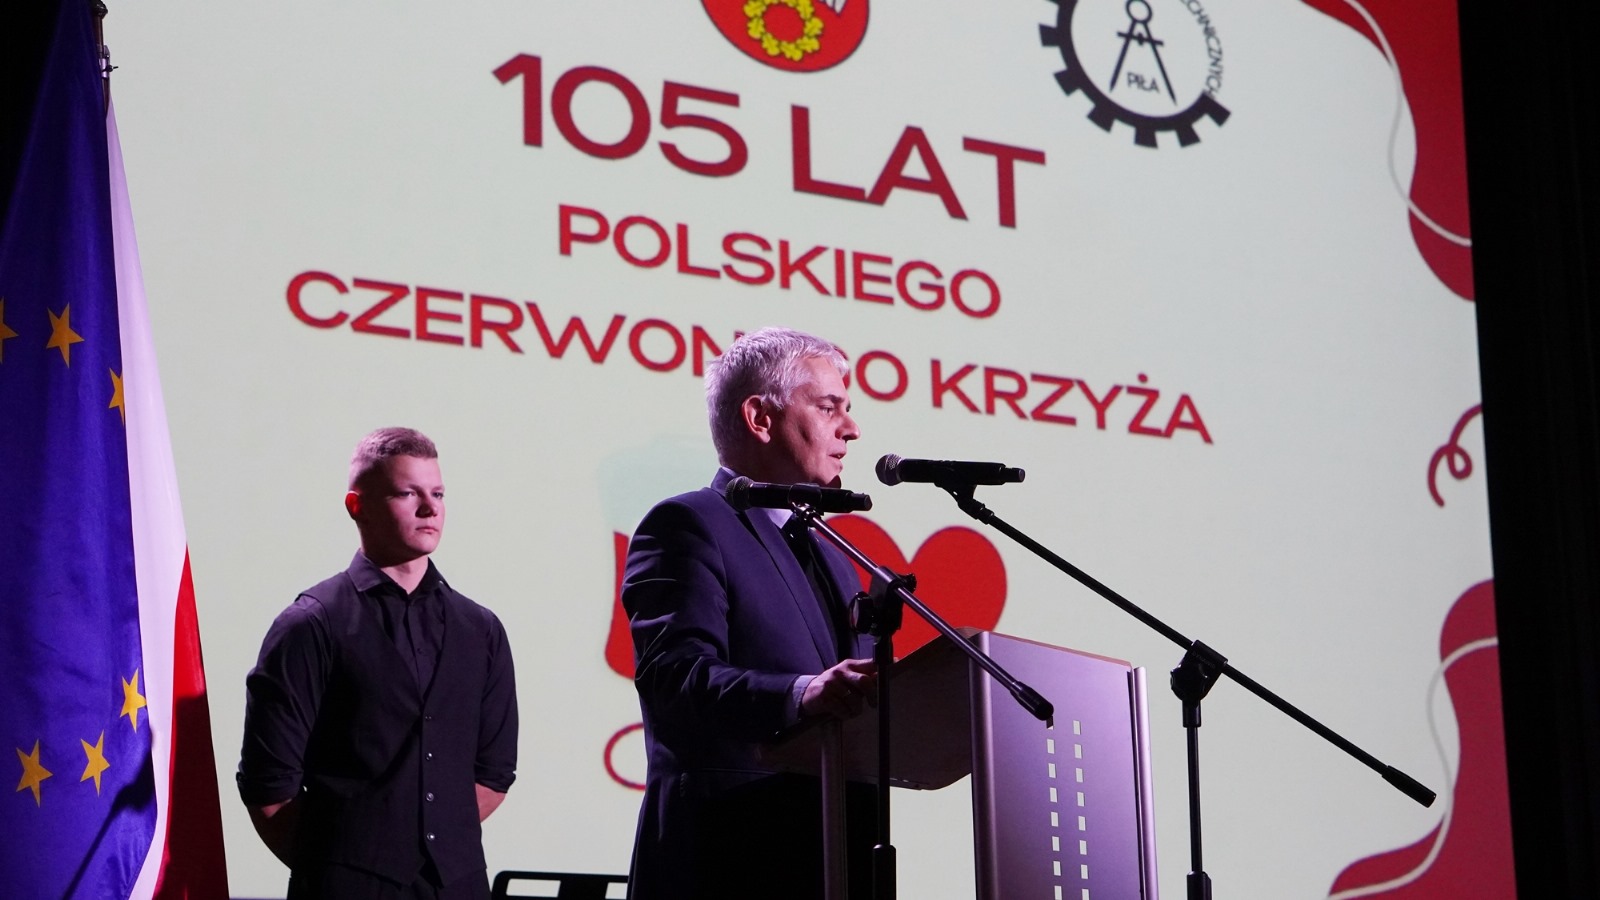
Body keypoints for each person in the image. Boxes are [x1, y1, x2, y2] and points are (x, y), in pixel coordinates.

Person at [623, 326, 881, 900]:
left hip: (836, 858)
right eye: (829, 407)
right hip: (726, 858)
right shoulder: (688, 525)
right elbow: (675, 678)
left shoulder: (835, 559)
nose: (852, 428)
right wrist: (802, 694)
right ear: (760, 418)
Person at [238, 427, 518, 900]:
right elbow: (269, 786)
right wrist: (340, 867)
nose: (429, 509)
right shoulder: (311, 624)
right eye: (408, 493)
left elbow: (493, 772)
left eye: (438, 494)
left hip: (457, 886)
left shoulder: (481, 629)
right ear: (357, 506)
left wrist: (431, 841)